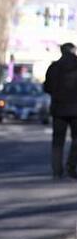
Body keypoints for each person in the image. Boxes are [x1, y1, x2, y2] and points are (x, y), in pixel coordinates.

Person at [43, 42, 77, 180]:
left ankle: (57, 170)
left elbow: (47, 88)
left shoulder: (54, 67)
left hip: (58, 109)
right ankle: (72, 165)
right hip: (76, 110)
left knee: (57, 141)